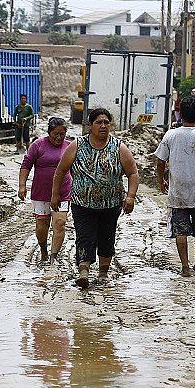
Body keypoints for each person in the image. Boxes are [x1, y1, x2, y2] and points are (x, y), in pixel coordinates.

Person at [51, 108, 139, 289]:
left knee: (107, 237)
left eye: (107, 122)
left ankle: (103, 273)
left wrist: (130, 196)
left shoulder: (118, 147)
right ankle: (83, 271)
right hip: (82, 203)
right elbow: (61, 170)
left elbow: (133, 172)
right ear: (90, 125)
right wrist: (55, 194)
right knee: (85, 236)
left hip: (110, 204)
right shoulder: (77, 145)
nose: (103, 126)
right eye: (99, 122)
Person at [154, 97, 195, 277]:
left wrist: (161, 181)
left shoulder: (171, 135)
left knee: (180, 230)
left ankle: (185, 266)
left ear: (180, 115)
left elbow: (160, 161)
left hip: (178, 190)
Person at [19, 117, 72, 264]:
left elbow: (76, 170)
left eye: (62, 134)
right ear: (49, 132)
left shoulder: (69, 147)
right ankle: (43, 250)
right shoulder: (38, 145)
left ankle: (53, 257)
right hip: (41, 192)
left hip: (63, 192)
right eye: (55, 133)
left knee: (60, 223)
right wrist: (22, 185)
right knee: (42, 225)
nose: (59, 137)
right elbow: (26, 165)